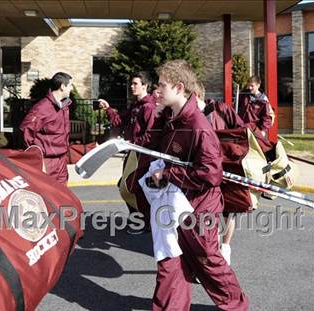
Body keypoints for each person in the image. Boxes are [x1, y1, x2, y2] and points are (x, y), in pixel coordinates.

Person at [150, 60, 249, 310]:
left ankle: (237, 306)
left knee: (207, 260)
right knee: (172, 257)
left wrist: (169, 174)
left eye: (161, 85)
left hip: (200, 206)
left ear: (179, 87)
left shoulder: (198, 126)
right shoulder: (173, 120)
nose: (156, 90)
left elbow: (210, 174)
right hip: (176, 203)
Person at [99, 71, 157, 234]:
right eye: (131, 83)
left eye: (135, 84)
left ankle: (145, 222)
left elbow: (151, 135)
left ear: (145, 86)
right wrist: (108, 109)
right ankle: (140, 221)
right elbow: (119, 121)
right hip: (133, 153)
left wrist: (134, 143)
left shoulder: (149, 107)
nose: (131, 86)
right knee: (126, 186)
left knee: (132, 187)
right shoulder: (135, 106)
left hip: (142, 155)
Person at [194, 82, 244, 266]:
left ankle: (225, 248)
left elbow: (241, 132)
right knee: (208, 212)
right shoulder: (190, 116)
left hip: (228, 168)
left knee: (229, 211)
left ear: (196, 94)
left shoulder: (221, 109)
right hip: (206, 172)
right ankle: (209, 254)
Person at [20, 72, 73, 185]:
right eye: (70, 85)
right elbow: (26, 130)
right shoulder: (42, 107)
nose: (71, 89)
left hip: (61, 161)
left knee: (63, 196)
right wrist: (37, 159)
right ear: (62, 86)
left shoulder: (64, 106)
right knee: (48, 197)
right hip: (47, 162)